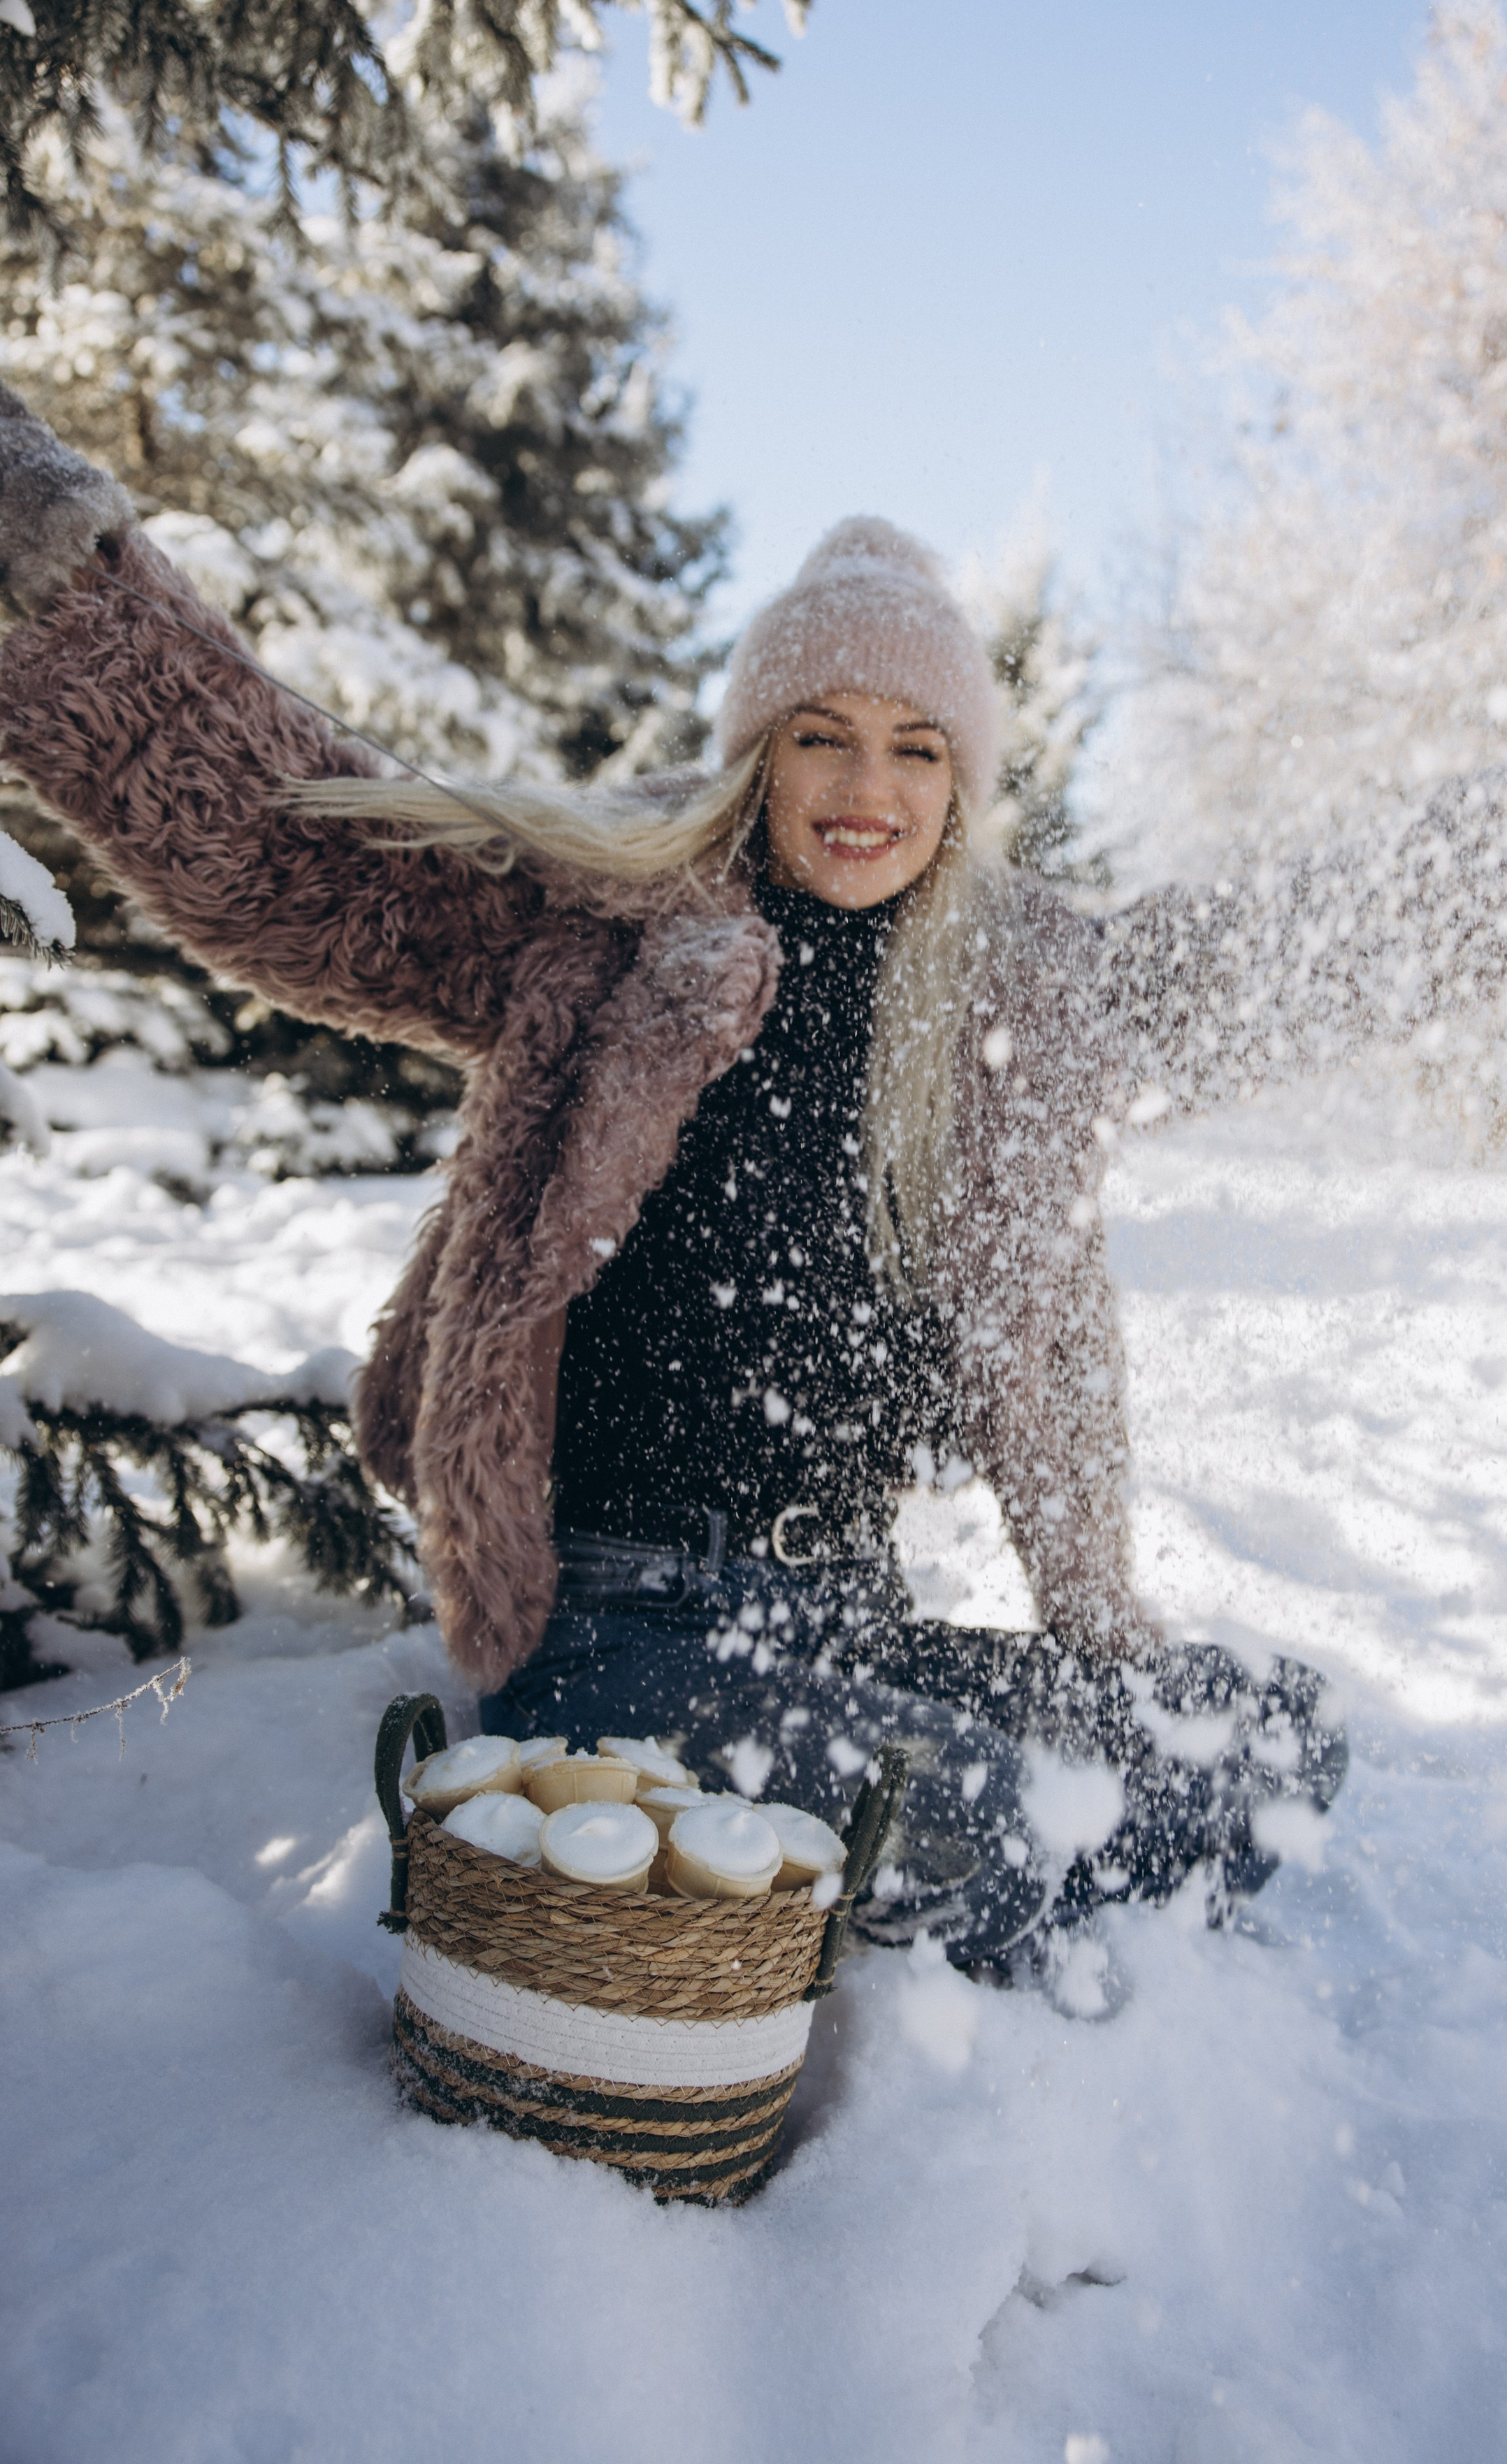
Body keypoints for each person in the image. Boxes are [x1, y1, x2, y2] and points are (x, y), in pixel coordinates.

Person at [0, 389, 1353, 1982]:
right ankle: (857, 1937)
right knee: (992, 1815)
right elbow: (288, 845)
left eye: (918, 749)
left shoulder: (1008, 1007)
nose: (870, 786)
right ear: (756, 755)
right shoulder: (614, 924)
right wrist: (58, 569)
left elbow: (1279, 955)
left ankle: (892, 1885)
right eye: (822, 735)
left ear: (961, 788)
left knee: (1266, 1742)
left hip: (839, 1616)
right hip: (618, 1626)